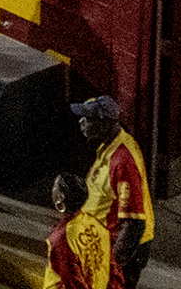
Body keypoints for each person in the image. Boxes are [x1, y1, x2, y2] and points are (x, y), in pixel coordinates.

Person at [76, 95, 155, 281]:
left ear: (104, 124)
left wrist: (111, 267)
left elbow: (133, 224)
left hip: (118, 250)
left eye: (88, 119)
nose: (82, 123)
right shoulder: (109, 146)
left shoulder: (123, 162)